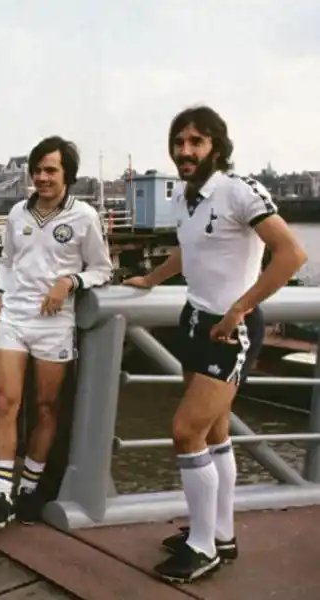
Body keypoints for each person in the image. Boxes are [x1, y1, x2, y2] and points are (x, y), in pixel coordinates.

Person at [124, 106, 307, 583]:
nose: (185, 150)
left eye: (195, 142)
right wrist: (151, 276)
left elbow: (291, 254)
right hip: (195, 321)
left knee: (186, 431)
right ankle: (218, 534)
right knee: (214, 434)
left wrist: (240, 308)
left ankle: (201, 547)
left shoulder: (239, 190)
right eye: (179, 142)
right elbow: (190, 249)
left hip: (231, 331)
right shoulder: (190, 198)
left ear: (216, 148)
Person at [0, 136, 113, 529]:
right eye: (37, 170)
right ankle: (0, 494)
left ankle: (29, 487)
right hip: (15, 319)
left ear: (67, 175)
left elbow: (102, 269)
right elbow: (6, 261)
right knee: (6, 402)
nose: (42, 177)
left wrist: (69, 282)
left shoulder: (85, 217)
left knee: (46, 409)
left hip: (56, 324)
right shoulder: (17, 214)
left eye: (50, 170)